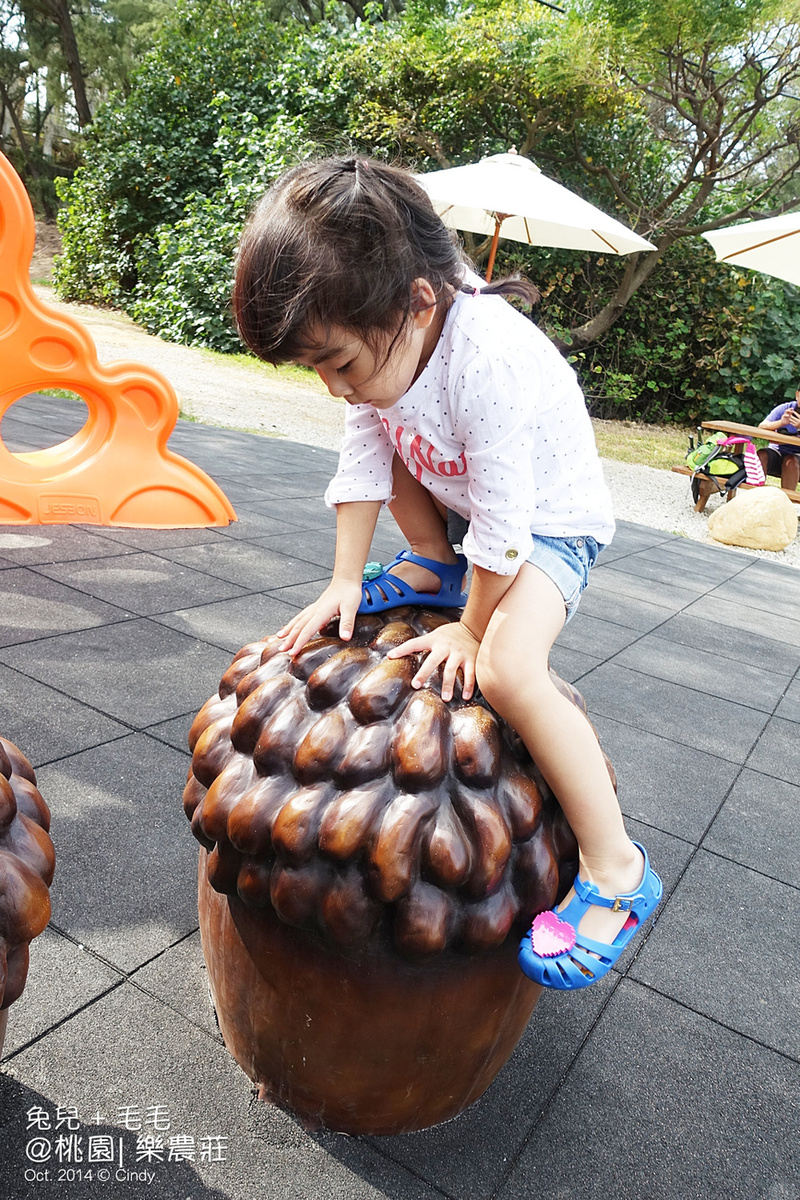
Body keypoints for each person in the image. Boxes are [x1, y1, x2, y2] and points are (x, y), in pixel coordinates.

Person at [232, 155, 662, 991]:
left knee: (509, 669)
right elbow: (362, 458)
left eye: (340, 363)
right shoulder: (385, 338)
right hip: (463, 513)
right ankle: (433, 564)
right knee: (383, 427)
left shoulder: (488, 360)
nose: (332, 387)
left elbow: (507, 522)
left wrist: (474, 629)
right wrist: (344, 579)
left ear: (419, 302)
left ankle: (618, 868)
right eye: (314, 368)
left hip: (546, 528)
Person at [757, 390, 800, 492]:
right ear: (797, 394)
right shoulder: (786, 408)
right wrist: (781, 422)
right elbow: (761, 427)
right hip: (777, 451)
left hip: (797, 456)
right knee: (761, 455)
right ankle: (755, 496)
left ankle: (787, 501)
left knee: (791, 462)